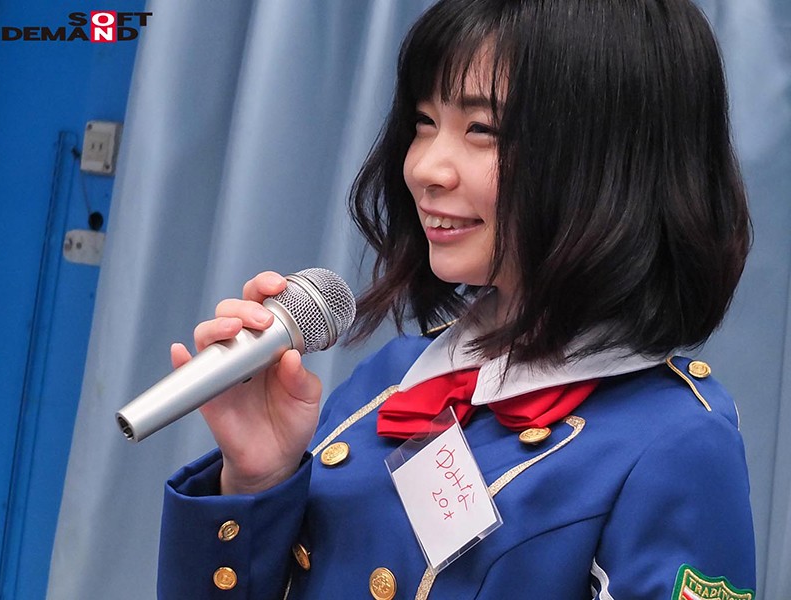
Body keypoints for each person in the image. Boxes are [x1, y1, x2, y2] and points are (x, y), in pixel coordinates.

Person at [158, 0, 756, 598]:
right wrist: (257, 480)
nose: (424, 167)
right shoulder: (391, 377)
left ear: (615, 158)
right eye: (424, 121)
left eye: (481, 130)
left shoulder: (675, 442)